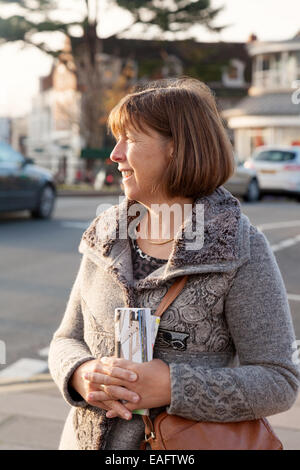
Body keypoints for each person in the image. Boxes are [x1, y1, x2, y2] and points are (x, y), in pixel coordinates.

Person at [48, 77, 300, 450]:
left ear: (177, 149)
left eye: (130, 140)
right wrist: (81, 374)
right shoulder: (105, 234)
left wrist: (172, 385)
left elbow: (279, 382)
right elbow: (66, 339)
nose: (115, 155)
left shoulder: (240, 248)